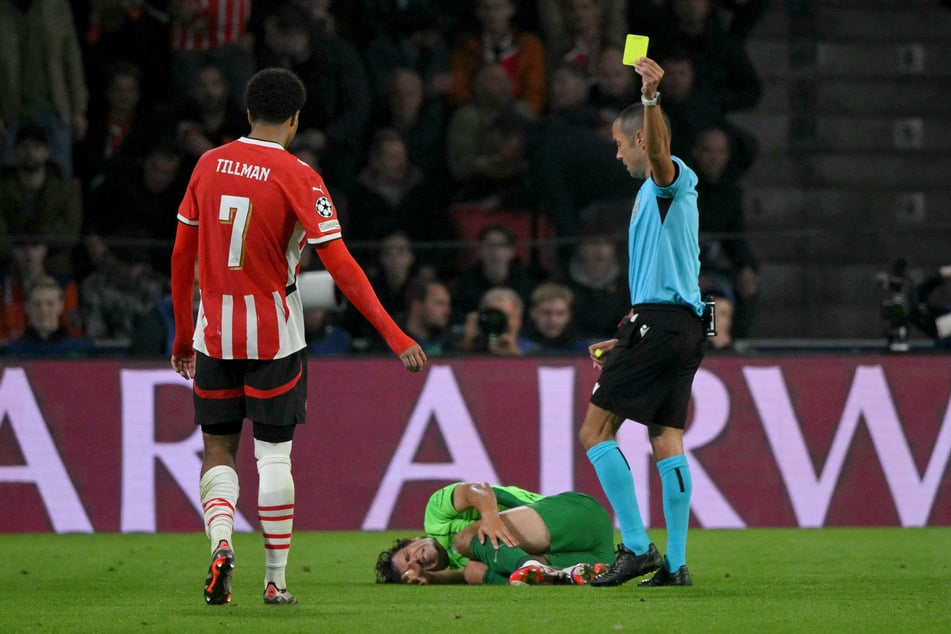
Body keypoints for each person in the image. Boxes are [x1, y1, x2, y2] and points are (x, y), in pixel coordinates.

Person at [169, 67, 426, 606]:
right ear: (294, 119)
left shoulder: (207, 164)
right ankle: (275, 579)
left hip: (213, 333)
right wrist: (394, 333)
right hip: (274, 338)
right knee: (274, 456)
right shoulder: (299, 175)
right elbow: (341, 266)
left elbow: (181, 256)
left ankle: (220, 543)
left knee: (218, 448)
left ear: (247, 114)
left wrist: (180, 333)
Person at [578, 56, 706, 588]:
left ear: (638, 141)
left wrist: (651, 99)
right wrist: (629, 329)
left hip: (659, 324)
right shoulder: (662, 195)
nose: (616, 152)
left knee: (595, 430)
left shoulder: (665, 181)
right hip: (682, 325)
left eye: (618, 143)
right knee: (665, 436)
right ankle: (675, 564)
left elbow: (658, 153)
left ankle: (635, 547)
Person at [375, 481, 614, 585]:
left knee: (464, 540)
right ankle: (556, 577)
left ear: (414, 540)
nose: (418, 558)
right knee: (472, 572)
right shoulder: (460, 562)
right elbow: (461, 574)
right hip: (598, 556)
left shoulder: (435, 514)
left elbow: (477, 489)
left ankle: (532, 568)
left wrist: (489, 520)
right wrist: (426, 577)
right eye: (415, 564)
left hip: (576, 514)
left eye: (409, 555)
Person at [3, 274, 93, 357]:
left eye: (50, 304)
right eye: (37, 304)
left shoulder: (81, 350)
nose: (43, 310)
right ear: (27, 307)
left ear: (61, 306)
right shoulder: (12, 353)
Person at [523, 282, 590, 354]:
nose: (553, 319)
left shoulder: (584, 348)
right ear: (533, 313)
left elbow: (599, 355)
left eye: (560, 313)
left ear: (569, 315)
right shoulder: (520, 348)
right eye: (546, 313)